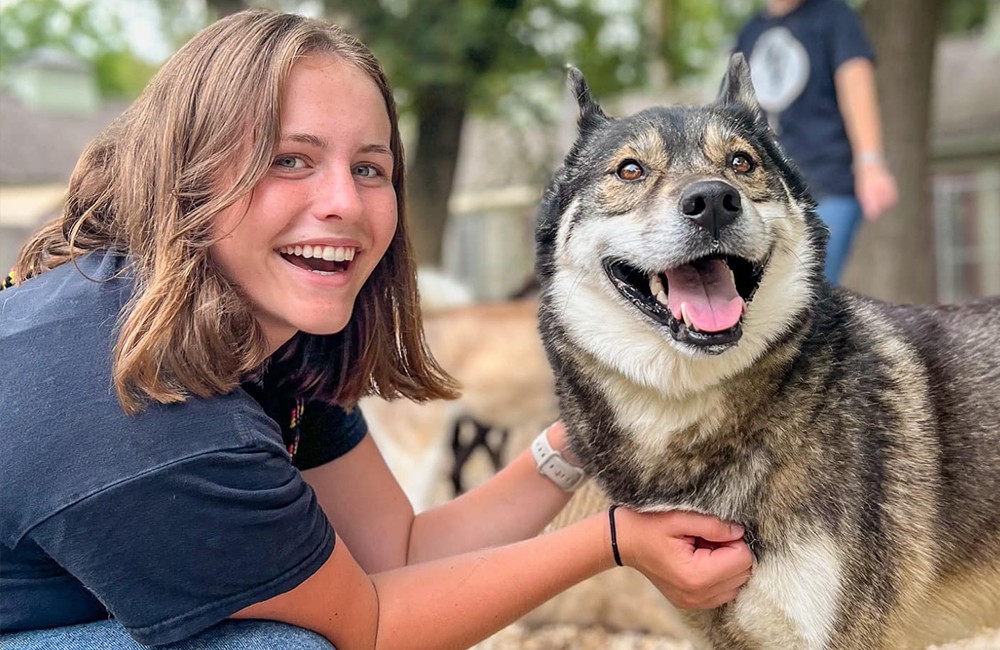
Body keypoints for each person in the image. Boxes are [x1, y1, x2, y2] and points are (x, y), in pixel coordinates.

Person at [0, 9, 754, 650]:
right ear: (188, 178)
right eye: (289, 160)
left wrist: (576, 441)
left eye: (370, 168)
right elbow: (372, 624)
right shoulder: (150, 410)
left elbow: (398, 554)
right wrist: (612, 541)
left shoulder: (274, 340)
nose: (344, 203)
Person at [734, 0, 899, 284]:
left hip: (828, 183)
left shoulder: (834, 16)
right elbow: (736, 110)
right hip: (766, 192)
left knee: (808, 288)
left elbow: (857, 88)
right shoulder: (751, 32)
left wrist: (870, 162)